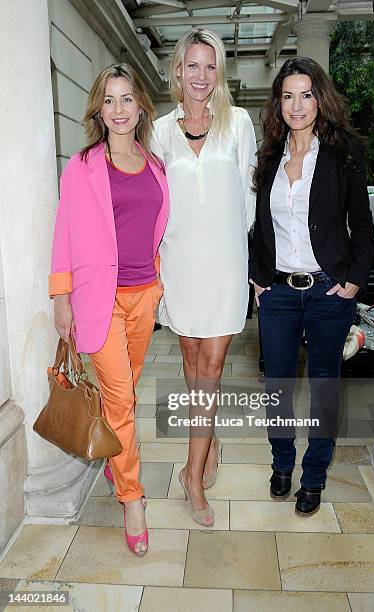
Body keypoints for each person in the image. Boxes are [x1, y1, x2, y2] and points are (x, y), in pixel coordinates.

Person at [49, 63, 169, 555]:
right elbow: (65, 233)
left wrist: (160, 284)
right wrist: (61, 295)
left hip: (145, 295)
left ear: (140, 106)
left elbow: (158, 227)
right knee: (121, 401)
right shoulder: (82, 165)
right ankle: (132, 498)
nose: (118, 109)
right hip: (101, 300)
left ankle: (116, 464)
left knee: (126, 396)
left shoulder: (156, 165)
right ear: (98, 108)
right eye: (109, 100)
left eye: (126, 99)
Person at [249, 57, 374, 516]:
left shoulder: (344, 153)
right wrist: (258, 278)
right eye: (288, 96)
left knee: (324, 390)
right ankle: (282, 463)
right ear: (277, 103)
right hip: (278, 293)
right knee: (277, 388)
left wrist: (354, 280)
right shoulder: (268, 157)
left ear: (320, 99)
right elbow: (259, 226)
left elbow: (361, 224)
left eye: (306, 95)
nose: (297, 105)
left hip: (328, 292)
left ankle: (315, 476)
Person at [152, 28, 256, 526]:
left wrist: (243, 257)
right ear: (177, 70)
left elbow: (248, 200)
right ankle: (208, 436)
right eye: (192, 65)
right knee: (191, 360)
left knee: (211, 367)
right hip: (179, 262)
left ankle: (192, 474)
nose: (200, 75)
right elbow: (156, 202)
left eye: (209, 66)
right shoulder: (158, 130)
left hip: (224, 262)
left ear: (220, 72)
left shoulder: (238, 124)